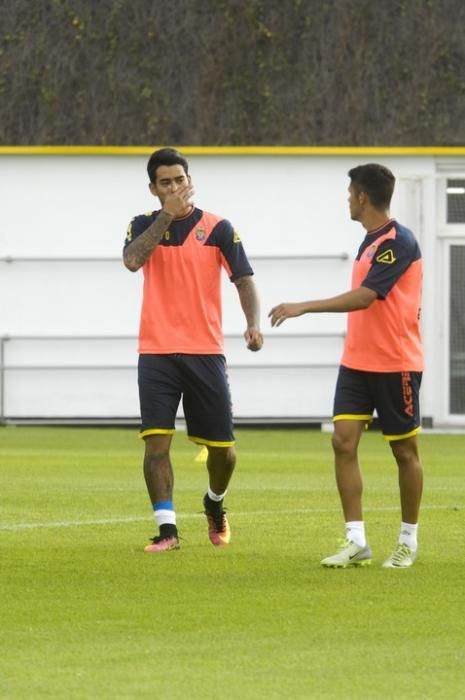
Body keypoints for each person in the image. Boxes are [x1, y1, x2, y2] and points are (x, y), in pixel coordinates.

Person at [269, 163, 424, 569]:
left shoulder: (398, 241)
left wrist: (303, 306)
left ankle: (408, 540)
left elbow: (365, 297)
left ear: (362, 197)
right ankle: (357, 541)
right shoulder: (368, 241)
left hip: (395, 363)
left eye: (349, 193)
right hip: (357, 362)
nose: (347, 199)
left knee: (404, 451)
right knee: (342, 442)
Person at [123, 148, 263, 552]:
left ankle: (214, 503)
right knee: (156, 445)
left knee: (225, 452)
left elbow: (244, 280)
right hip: (156, 352)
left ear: (190, 180)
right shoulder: (142, 226)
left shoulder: (218, 228)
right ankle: (167, 531)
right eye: (165, 182)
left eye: (179, 180)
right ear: (153, 188)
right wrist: (166, 214)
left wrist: (251, 323)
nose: (174, 187)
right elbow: (133, 261)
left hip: (205, 352)